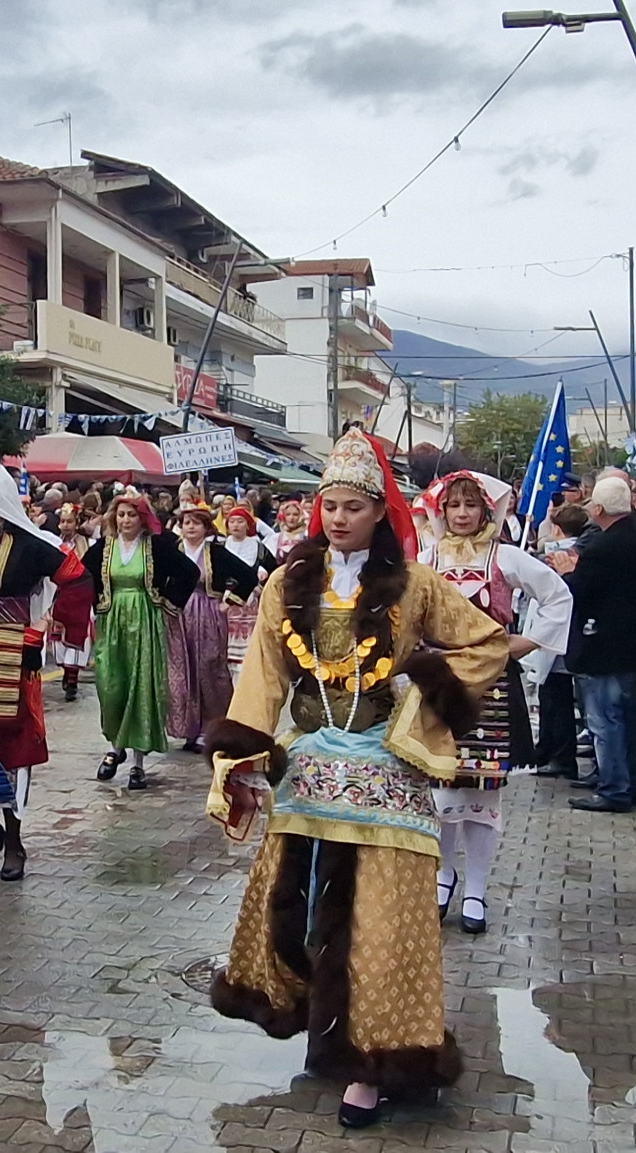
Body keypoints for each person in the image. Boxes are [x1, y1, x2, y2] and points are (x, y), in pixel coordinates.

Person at [205, 427, 509, 1130]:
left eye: (352, 506)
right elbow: (263, 672)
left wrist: (420, 688)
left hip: (385, 770)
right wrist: (243, 753)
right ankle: (325, 1029)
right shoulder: (288, 581)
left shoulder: (414, 584)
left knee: (381, 919)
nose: (337, 517)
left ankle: (375, 1060)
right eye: (329, 504)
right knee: (306, 905)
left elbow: (486, 641)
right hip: (310, 767)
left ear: (379, 512)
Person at [416, 469, 571, 933]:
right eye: (454, 506)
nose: (462, 514)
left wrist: (526, 643)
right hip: (440, 686)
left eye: (471, 505)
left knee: (483, 791)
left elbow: (557, 596)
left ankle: (478, 889)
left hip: (492, 689)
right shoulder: (426, 559)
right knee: (439, 789)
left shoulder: (506, 557)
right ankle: (443, 877)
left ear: (487, 510)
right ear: (441, 511)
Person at [0, 462, 85, 883]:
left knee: (13, 748)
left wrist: (44, 625)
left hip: (13, 655)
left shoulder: (28, 544)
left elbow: (76, 579)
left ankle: (14, 841)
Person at [556, 476, 636, 813]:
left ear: (598, 508)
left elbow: (582, 591)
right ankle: (630, 779)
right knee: (632, 716)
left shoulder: (602, 547)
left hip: (606, 643)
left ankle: (614, 786)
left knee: (606, 719)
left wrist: (568, 572)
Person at [86, 490, 198, 790]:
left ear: (142, 518)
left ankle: (136, 762)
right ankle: (115, 745)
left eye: (131, 514)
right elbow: (82, 577)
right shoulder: (102, 548)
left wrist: (166, 601)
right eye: (121, 514)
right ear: (113, 517)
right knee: (111, 686)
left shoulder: (156, 546)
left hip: (145, 622)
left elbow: (190, 572)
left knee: (141, 688)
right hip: (112, 624)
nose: (126, 520)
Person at [167, 503, 258, 752]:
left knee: (208, 668)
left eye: (196, 523)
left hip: (207, 613)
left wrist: (230, 602)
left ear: (206, 527)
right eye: (186, 523)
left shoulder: (215, 552)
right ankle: (188, 727)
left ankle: (211, 727)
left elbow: (247, 576)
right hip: (177, 614)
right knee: (182, 671)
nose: (191, 527)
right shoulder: (173, 550)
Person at [220, 506, 280, 682]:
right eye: (232, 521)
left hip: (249, 605)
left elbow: (274, 570)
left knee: (247, 650)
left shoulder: (258, 548)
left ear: (248, 525)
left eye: (240, 521)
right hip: (224, 603)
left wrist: (261, 580)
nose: (236, 525)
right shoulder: (220, 546)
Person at [49, 504, 96, 703]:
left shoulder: (89, 544)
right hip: (59, 595)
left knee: (79, 636)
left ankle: (72, 679)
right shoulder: (53, 543)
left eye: (69, 521)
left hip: (81, 596)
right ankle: (67, 671)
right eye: (62, 521)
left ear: (77, 523)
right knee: (59, 638)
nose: (65, 525)